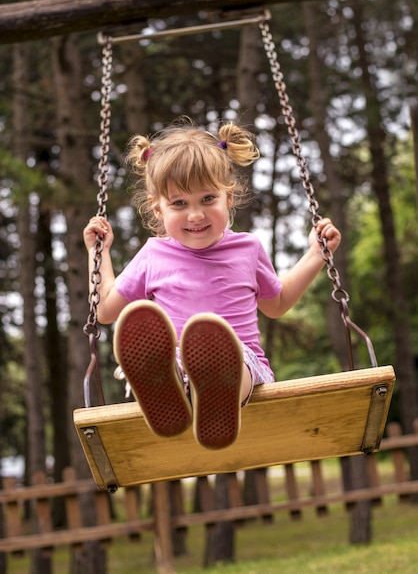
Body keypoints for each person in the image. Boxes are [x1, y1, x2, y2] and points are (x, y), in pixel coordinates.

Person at [83, 118, 341, 450]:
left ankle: (216, 399)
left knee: (230, 360)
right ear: (157, 209)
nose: (196, 215)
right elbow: (105, 309)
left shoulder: (247, 248)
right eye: (179, 203)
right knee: (171, 359)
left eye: (207, 199)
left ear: (228, 198)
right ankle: (167, 393)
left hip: (243, 363)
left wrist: (317, 254)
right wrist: (98, 252)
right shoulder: (153, 254)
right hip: (176, 361)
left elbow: (277, 303)